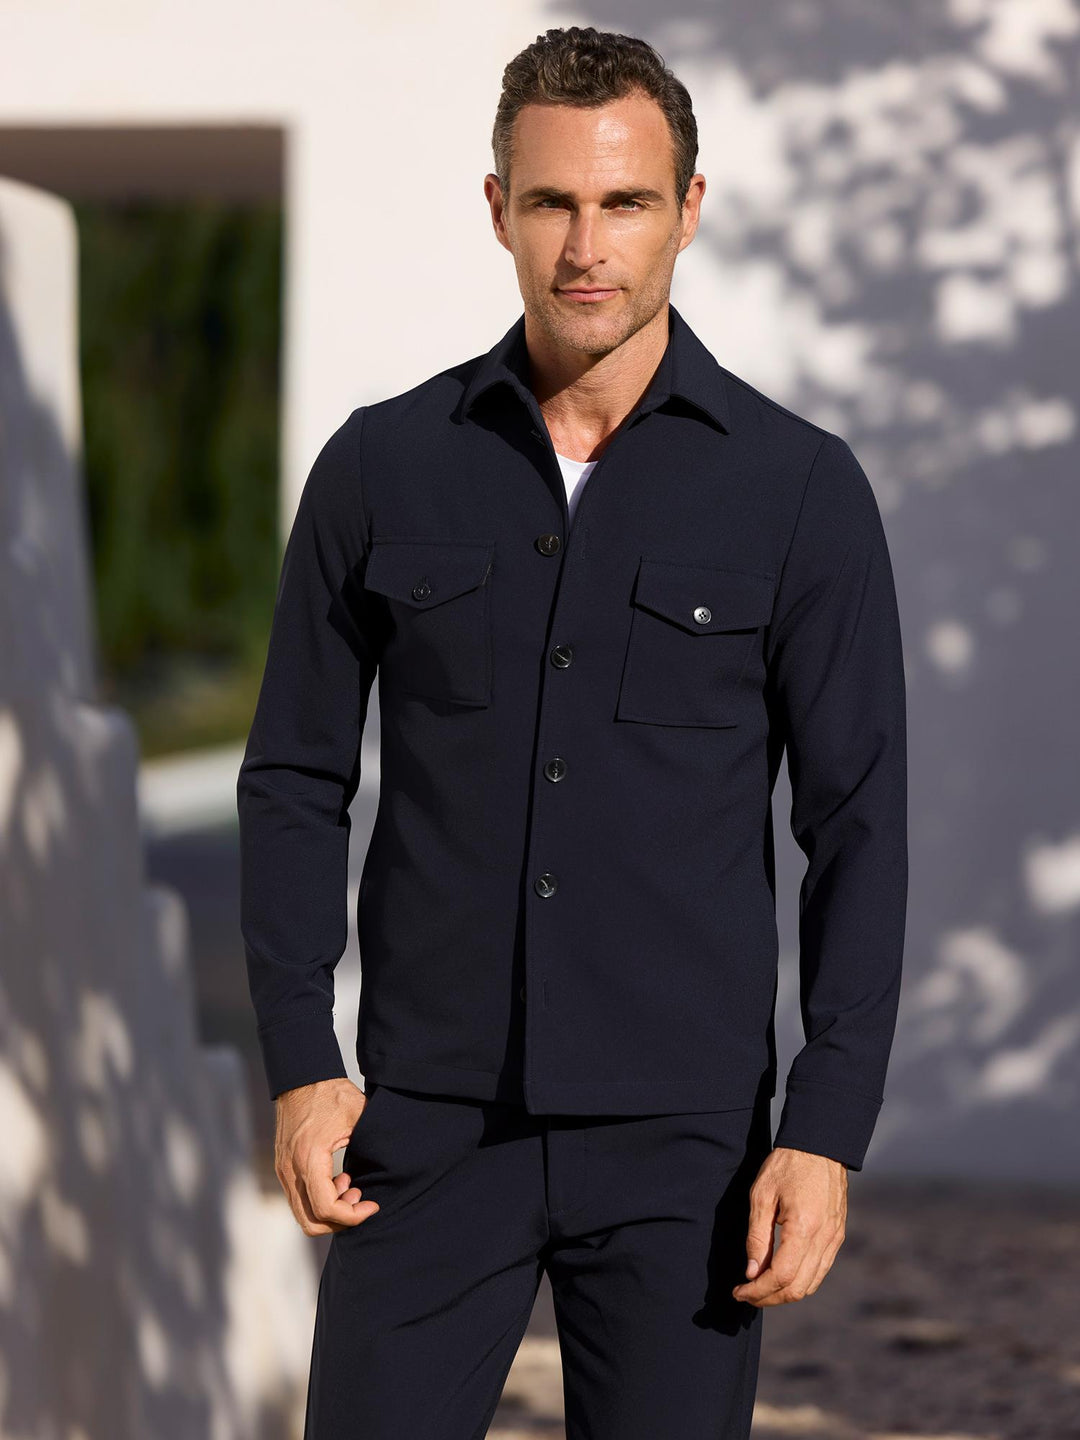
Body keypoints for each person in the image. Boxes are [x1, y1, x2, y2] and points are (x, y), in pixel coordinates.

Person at [236, 24, 908, 1440]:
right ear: (499, 209)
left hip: (685, 1149)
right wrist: (302, 1058)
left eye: (625, 201)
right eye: (551, 201)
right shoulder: (380, 467)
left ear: (690, 209)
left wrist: (825, 1128)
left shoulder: (798, 491)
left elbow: (857, 825)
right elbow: (294, 776)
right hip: (426, 1130)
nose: (586, 245)